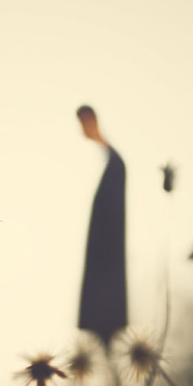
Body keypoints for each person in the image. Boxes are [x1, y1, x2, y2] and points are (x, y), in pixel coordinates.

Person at [76, 105, 128, 351]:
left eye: (84, 122)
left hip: (105, 257)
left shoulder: (114, 162)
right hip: (104, 255)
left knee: (105, 319)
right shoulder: (110, 159)